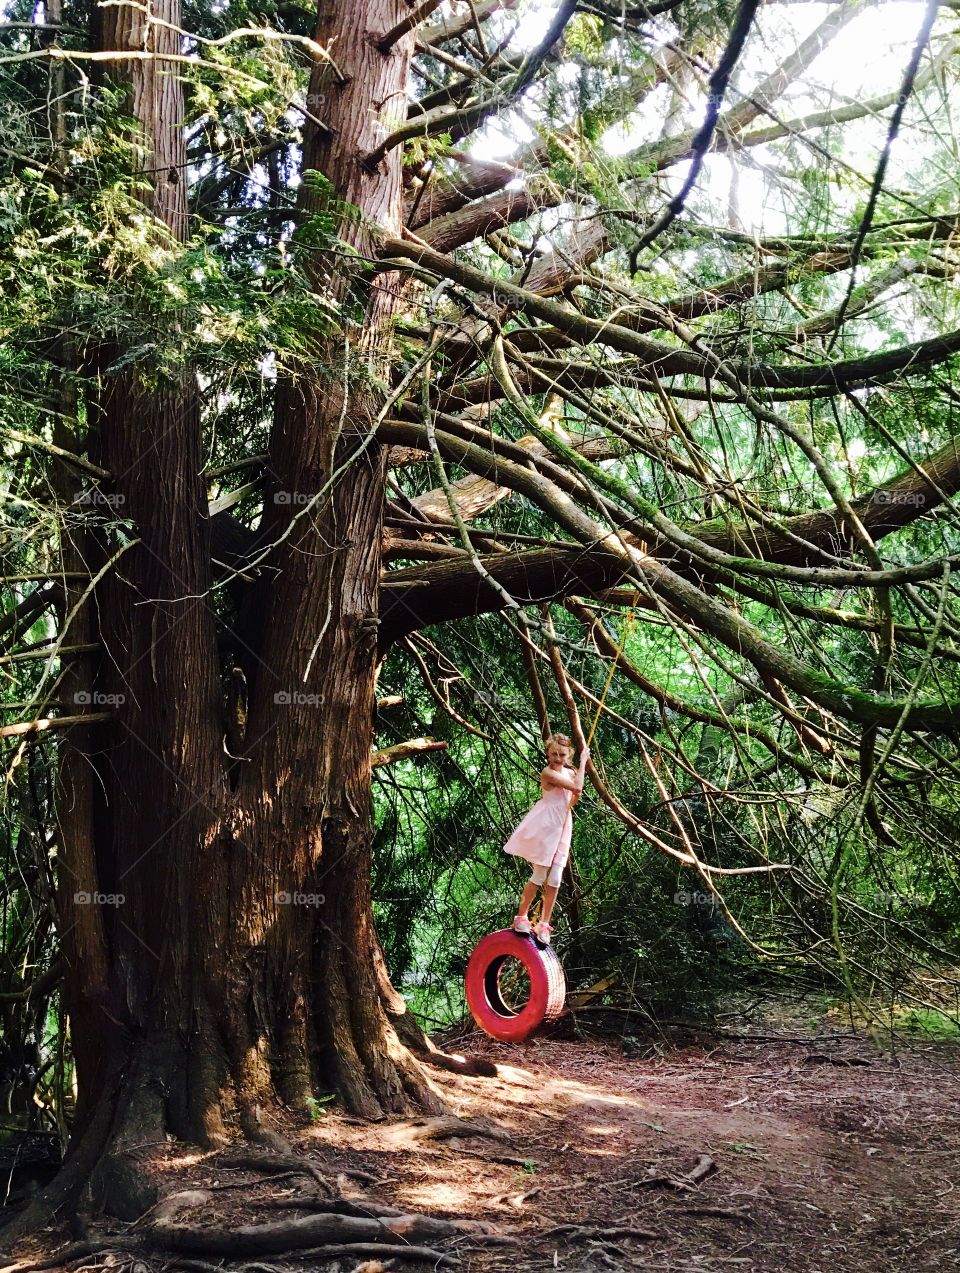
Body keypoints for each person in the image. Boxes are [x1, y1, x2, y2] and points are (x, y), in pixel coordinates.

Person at [503, 733, 589, 944]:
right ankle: (521, 917)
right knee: (540, 874)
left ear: (568, 754)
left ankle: (544, 924)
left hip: (562, 824)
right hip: (546, 824)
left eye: (562, 754)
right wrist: (584, 761)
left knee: (556, 877)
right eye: (554, 754)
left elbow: (574, 797)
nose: (557, 758)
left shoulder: (570, 772)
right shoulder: (548, 772)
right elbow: (577, 787)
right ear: (548, 754)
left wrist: (577, 774)